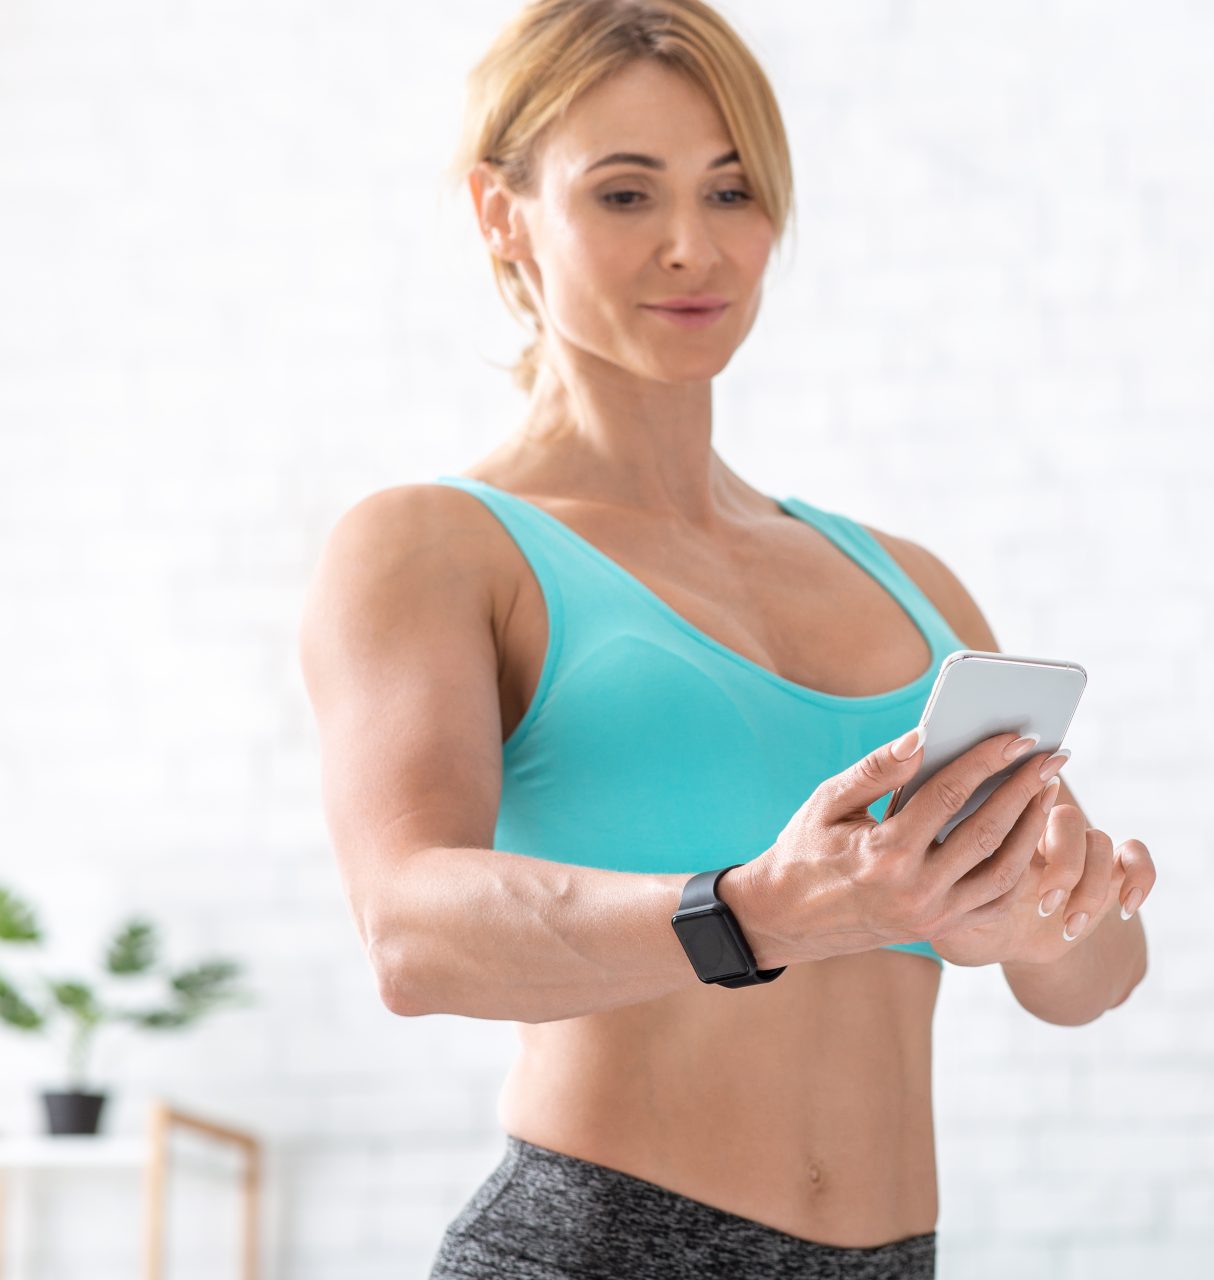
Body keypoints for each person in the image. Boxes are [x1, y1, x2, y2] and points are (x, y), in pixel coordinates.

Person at [296, 2, 1154, 1276]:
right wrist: (752, 912)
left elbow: (1098, 976)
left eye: (732, 189)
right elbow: (408, 931)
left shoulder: (911, 582)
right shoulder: (434, 544)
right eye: (625, 194)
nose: (693, 246)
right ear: (501, 212)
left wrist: (1040, 918)